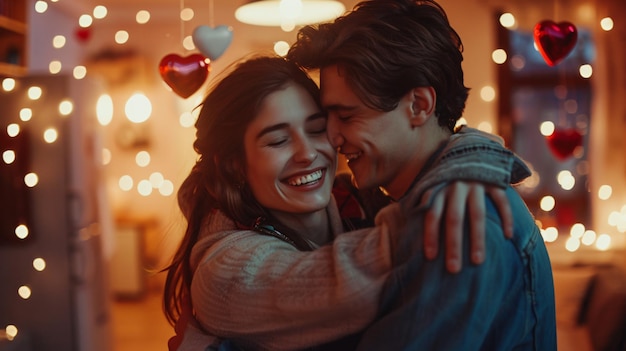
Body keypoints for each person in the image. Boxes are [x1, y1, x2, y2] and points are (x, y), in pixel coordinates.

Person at [164, 54, 528, 351]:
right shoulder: (224, 272)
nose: (309, 153)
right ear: (235, 164)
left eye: (316, 128)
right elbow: (348, 279)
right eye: (277, 141)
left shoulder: (357, 200)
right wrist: (457, 177)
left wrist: (467, 160)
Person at [287, 0, 557, 349]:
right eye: (328, 119)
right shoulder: (411, 199)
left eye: (348, 116)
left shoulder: (462, 220)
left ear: (419, 106)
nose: (333, 137)